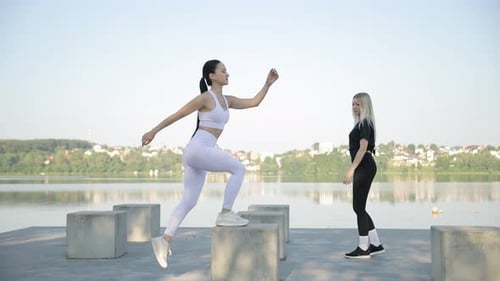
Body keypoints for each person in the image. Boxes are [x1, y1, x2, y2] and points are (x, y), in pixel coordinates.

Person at [141, 59, 279, 269]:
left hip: (198, 152)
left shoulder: (227, 100)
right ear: (212, 76)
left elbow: (253, 102)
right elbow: (178, 115)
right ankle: (225, 213)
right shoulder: (206, 97)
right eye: (224, 71)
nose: (228, 74)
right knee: (239, 169)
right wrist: (153, 131)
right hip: (198, 149)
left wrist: (268, 84)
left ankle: (164, 240)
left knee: (189, 200)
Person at [343, 92, 384, 259]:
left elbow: (362, 148)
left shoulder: (365, 124)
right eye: (353, 104)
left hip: (364, 166)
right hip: (364, 166)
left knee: (358, 207)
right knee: (359, 207)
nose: (354, 107)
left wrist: (351, 170)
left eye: (358, 104)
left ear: (365, 105)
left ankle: (363, 248)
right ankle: (375, 244)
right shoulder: (361, 124)